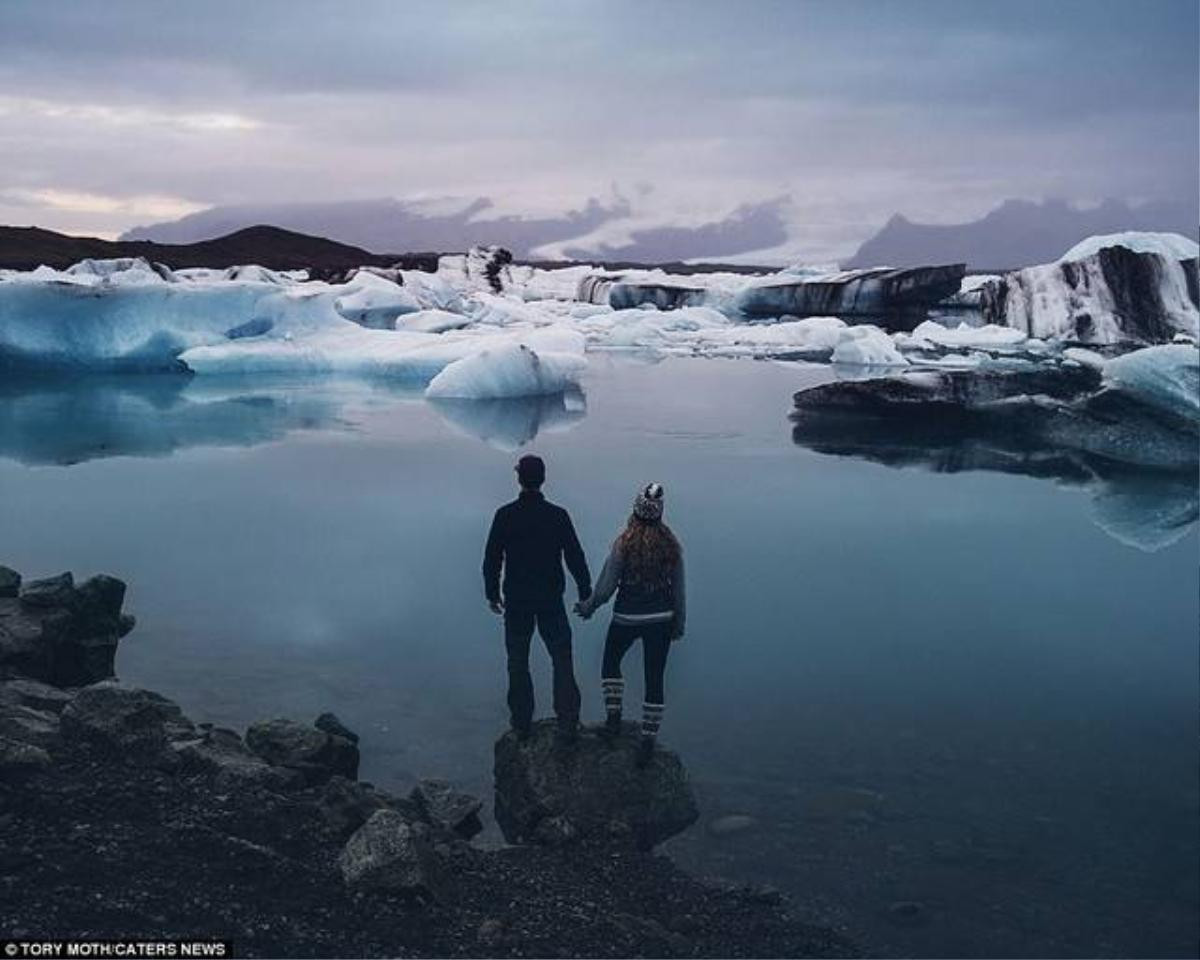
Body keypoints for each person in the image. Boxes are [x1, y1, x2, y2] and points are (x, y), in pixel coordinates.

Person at [483, 454, 592, 743]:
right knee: (561, 658)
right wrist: (585, 590)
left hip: (517, 600)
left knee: (518, 661)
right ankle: (567, 722)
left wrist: (492, 593)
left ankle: (522, 724)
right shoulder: (557, 516)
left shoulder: (505, 515)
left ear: (519, 478)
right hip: (550, 600)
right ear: (543, 479)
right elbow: (574, 555)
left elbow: (492, 558)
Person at [576, 483, 685, 767]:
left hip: (627, 617)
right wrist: (679, 622)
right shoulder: (671, 546)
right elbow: (679, 591)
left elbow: (607, 586)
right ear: (660, 513)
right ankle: (648, 740)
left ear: (635, 510)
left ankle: (614, 719)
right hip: (661, 619)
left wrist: (589, 606)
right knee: (655, 677)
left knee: (611, 662)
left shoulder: (624, 543)